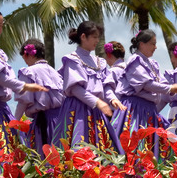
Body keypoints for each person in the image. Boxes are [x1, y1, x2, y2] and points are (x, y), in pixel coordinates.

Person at [110, 29, 177, 160]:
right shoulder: (135, 60)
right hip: (135, 109)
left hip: (149, 110)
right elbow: (146, 84)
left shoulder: (153, 63)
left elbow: (162, 82)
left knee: (151, 147)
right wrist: (170, 88)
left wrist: (174, 88)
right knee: (135, 146)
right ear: (142, 44)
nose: (156, 47)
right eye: (153, 43)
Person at [52, 21, 125, 153]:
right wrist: (97, 102)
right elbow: (75, 89)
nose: (97, 40)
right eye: (94, 37)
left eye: (98, 37)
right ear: (83, 37)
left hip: (97, 111)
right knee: (76, 148)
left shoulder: (100, 62)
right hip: (77, 110)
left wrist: (113, 99)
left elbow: (106, 86)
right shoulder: (72, 59)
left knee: (104, 151)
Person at [0, 11, 48, 174]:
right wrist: (25, 87)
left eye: (1, 26)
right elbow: (2, 79)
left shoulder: (0, 54)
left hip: (2, 109)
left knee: (11, 153)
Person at [14, 39, 65, 156]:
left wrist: (14, 122)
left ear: (28, 55)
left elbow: (23, 101)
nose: (25, 62)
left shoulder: (28, 72)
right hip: (61, 120)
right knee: (61, 158)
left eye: (24, 58)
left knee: (44, 159)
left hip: (44, 122)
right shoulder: (55, 72)